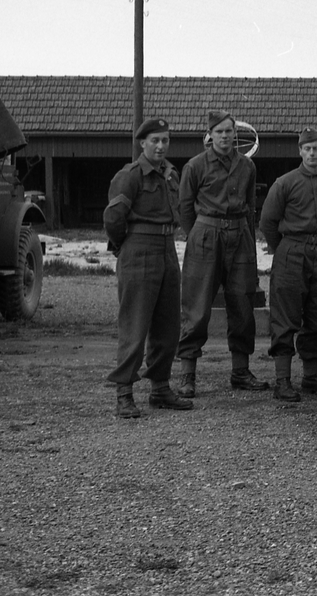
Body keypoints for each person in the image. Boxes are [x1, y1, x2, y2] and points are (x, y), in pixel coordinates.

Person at [174, 110, 269, 398]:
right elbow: (185, 208)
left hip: (239, 236)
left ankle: (240, 372)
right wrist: (199, 235)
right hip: (206, 236)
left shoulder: (246, 167)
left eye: (230, 132)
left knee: (242, 305)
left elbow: (251, 206)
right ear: (210, 135)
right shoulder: (195, 166)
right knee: (197, 307)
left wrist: (248, 241)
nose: (225, 137)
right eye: (219, 132)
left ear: (235, 134)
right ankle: (188, 376)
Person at [103, 118, 192, 418]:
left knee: (168, 325)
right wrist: (123, 247)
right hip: (139, 250)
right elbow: (114, 218)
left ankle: (160, 388)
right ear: (142, 143)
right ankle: (124, 393)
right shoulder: (130, 175)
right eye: (155, 140)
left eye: (165, 140)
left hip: (168, 250)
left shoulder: (170, 175)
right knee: (135, 324)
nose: (161, 146)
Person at [258, 127, 317, 402]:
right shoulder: (284, 183)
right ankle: (282, 380)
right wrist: (282, 249)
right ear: (299, 151)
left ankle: (310, 376)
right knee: (285, 316)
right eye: (307, 149)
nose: (311, 153)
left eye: (316, 148)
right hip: (291, 253)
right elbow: (268, 223)